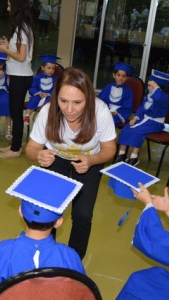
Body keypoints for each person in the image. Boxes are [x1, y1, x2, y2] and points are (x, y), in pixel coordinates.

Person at [25, 67, 117, 259]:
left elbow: (109, 149)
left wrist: (92, 160)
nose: (69, 109)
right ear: (56, 96)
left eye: (77, 102)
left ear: (89, 99)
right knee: (47, 213)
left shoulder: (100, 111)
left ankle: (73, 261)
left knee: (82, 216)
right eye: (63, 101)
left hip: (89, 162)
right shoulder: (48, 111)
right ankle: (46, 257)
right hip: (55, 160)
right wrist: (38, 155)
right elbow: (31, 147)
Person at [0, 167, 85, 300]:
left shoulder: (3, 252)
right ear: (58, 222)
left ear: (20, 212)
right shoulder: (69, 256)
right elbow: (81, 293)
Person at [0, 0, 34, 159]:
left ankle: (16, 149)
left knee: (16, 113)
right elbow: (19, 53)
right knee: (15, 112)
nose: (7, 8)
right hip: (19, 75)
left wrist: (5, 50)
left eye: (9, 5)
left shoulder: (22, 30)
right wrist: (8, 46)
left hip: (21, 77)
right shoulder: (21, 28)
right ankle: (14, 145)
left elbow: (21, 57)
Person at [115, 69, 169, 166]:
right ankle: (121, 154)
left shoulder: (164, 97)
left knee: (138, 131)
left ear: (157, 86)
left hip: (155, 123)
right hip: (144, 120)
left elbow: (158, 98)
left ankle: (134, 157)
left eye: (150, 85)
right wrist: (136, 118)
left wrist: (156, 87)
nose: (148, 87)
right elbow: (141, 108)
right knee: (126, 128)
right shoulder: (148, 96)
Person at [23, 54, 59, 124]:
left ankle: (47, 121)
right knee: (33, 99)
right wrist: (38, 93)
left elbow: (56, 89)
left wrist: (49, 94)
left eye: (53, 68)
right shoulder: (37, 78)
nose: (51, 70)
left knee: (51, 104)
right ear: (43, 68)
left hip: (49, 97)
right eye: (48, 68)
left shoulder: (56, 79)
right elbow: (32, 87)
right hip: (39, 95)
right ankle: (27, 116)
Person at [98, 61, 134, 127]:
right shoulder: (108, 87)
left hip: (118, 114)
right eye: (118, 75)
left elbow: (127, 107)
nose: (121, 78)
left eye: (124, 76)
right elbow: (101, 100)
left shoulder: (128, 91)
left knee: (106, 122)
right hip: (106, 110)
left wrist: (115, 112)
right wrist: (105, 110)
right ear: (114, 75)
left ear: (127, 78)